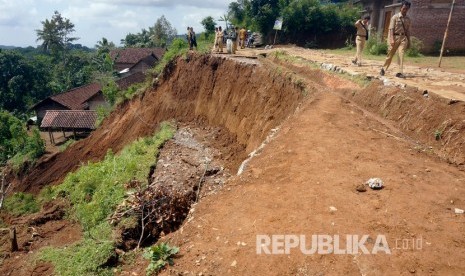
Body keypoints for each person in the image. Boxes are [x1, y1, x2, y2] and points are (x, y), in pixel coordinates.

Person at [380, 0, 412, 78]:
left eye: (407, 9)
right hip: (394, 37)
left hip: (403, 38)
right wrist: (391, 39)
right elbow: (391, 29)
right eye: (404, 8)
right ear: (401, 8)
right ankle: (383, 69)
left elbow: (407, 31)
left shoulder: (408, 19)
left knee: (401, 54)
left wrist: (409, 41)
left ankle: (399, 72)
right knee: (390, 55)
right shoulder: (395, 17)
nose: (405, 10)